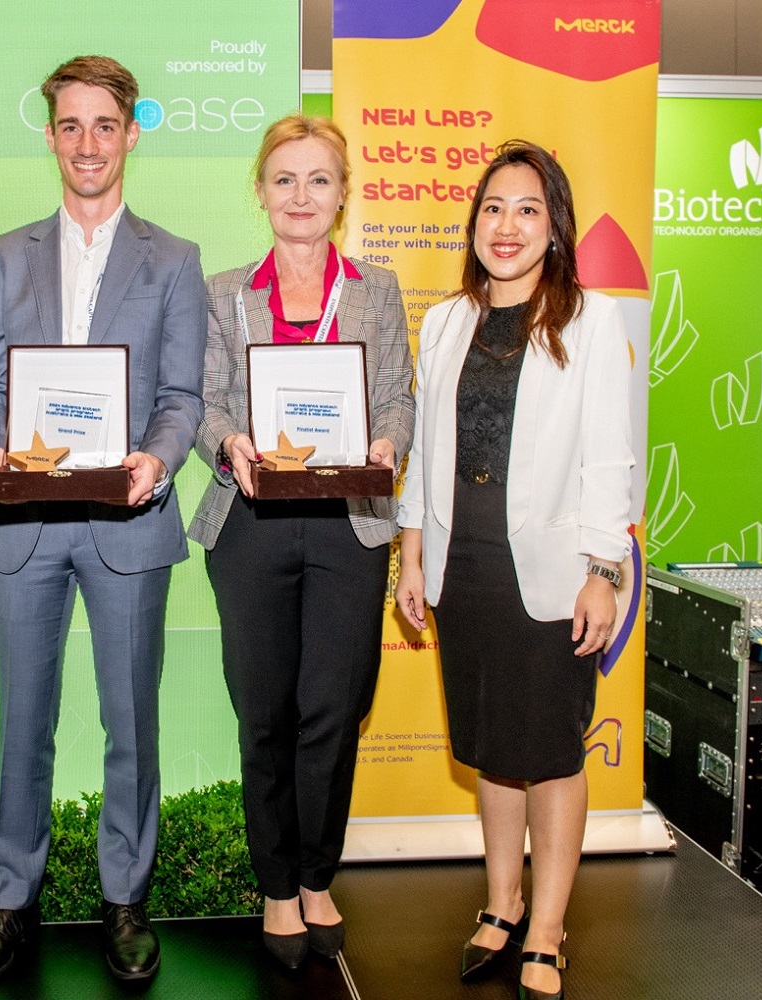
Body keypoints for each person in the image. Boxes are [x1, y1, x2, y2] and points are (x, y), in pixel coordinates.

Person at [0, 55, 204, 987]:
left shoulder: (173, 259)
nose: (88, 143)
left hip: (129, 523)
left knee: (129, 722)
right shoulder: (1, 255)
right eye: (70, 125)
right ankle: (11, 905)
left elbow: (180, 395)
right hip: (23, 526)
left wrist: (159, 459)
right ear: (51, 134)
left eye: (106, 125)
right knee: (23, 722)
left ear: (132, 132)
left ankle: (125, 899)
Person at [395, 140, 634, 1000]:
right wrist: (412, 550)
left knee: (552, 753)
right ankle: (500, 906)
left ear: (554, 227)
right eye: (494, 207)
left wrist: (603, 569)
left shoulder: (592, 323)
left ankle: (547, 925)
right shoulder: (449, 319)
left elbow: (613, 458)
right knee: (494, 749)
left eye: (528, 209)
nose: (507, 225)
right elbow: (423, 452)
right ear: (475, 222)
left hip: (555, 571)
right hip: (467, 567)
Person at [188, 114, 414, 969]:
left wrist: (388, 441)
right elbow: (208, 399)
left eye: (319, 180)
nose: (301, 196)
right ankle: (277, 885)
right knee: (264, 712)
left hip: (349, 522)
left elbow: (396, 395)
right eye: (284, 179)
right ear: (260, 191)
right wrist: (228, 444)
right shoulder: (224, 292)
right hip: (250, 522)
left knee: (334, 708)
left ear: (343, 194)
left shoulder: (377, 291)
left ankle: (319, 874)